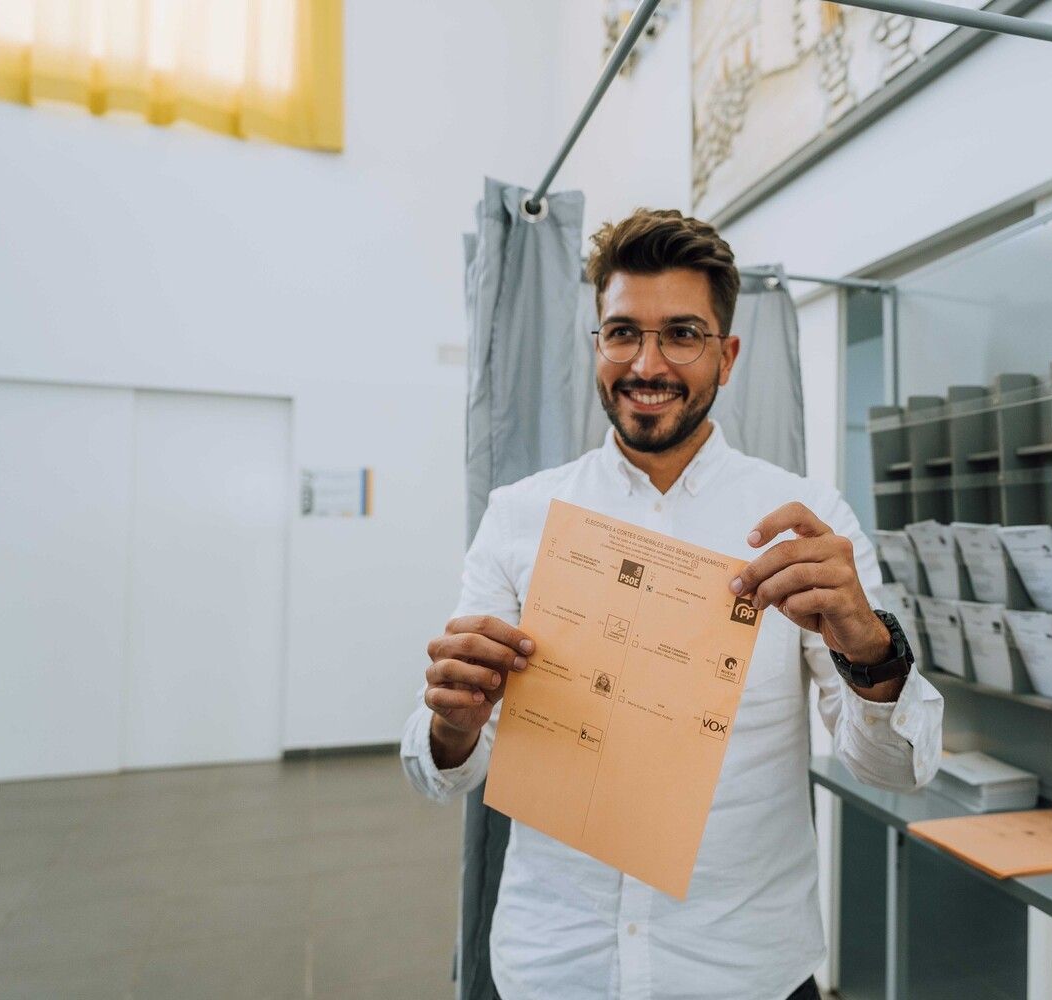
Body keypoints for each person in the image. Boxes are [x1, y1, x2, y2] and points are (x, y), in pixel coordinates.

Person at [401, 208, 944, 1000]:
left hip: (742, 971)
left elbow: (896, 768)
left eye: (681, 334)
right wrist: (452, 724)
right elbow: (440, 773)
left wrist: (870, 648)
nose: (647, 363)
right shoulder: (523, 515)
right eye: (622, 332)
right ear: (596, 344)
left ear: (726, 356)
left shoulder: (806, 522)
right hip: (557, 969)